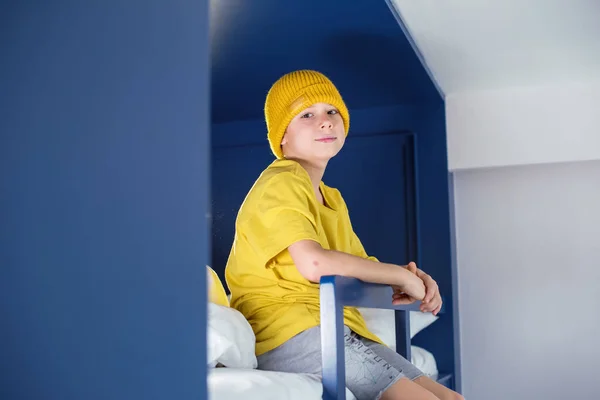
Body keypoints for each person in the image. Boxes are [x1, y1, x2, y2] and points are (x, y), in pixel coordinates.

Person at [224, 70, 463, 400]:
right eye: (307, 114)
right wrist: (397, 276)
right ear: (282, 137)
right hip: (290, 333)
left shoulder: (330, 197)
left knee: (451, 398)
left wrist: (414, 278)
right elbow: (314, 263)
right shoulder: (282, 180)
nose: (325, 122)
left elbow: (361, 266)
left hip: (338, 327)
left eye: (332, 111)